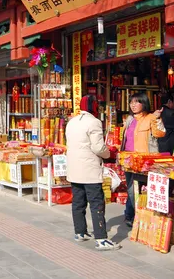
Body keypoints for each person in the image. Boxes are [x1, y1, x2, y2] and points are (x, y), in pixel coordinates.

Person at [66, 95, 120, 250]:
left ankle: (80, 232)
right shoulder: (94, 122)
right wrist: (109, 154)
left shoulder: (72, 122)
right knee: (96, 202)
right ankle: (101, 238)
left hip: (74, 168)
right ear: (93, 106)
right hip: (89, 169)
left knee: (78, 201)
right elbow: (98, 148)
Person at [121, 92, 166, 228]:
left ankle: (140, 215)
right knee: (131, 188)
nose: (133, 105)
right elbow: (125, 140)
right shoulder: (129, 120)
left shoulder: (150, 118)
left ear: (144, 103)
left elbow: (160, 133)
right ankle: (131, 215)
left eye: (137, 102)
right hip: (129, 159)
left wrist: (157, 119)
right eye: (131, 102)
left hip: (145, 161)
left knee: (144, 188)